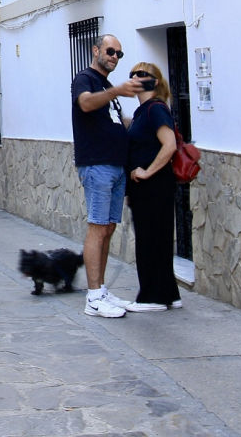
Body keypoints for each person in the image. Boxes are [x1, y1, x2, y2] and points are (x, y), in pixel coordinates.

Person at [71, 33, 143, 318]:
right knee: (98, 227)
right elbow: (86, 104)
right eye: (110, 51)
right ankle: (92, 297)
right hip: (98, 165)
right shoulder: (85, 79)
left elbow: (116, 121)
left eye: (118, 54)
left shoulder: (108, 85)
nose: (114, 57)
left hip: (115, 166)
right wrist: (115, 92)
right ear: (96, 50)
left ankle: (100, 290)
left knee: (109, 227)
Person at [122, 62, 182, 311]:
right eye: (132, 74)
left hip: (154, 187)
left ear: (155, 82)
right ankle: (169, 293)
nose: (136, 77)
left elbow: (169, 145)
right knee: (156, 238)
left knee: (150, 240)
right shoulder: (142, 111)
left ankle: (153, 298)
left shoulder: (155, 109)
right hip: (147, 188)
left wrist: (147, 172)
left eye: (142, 74)